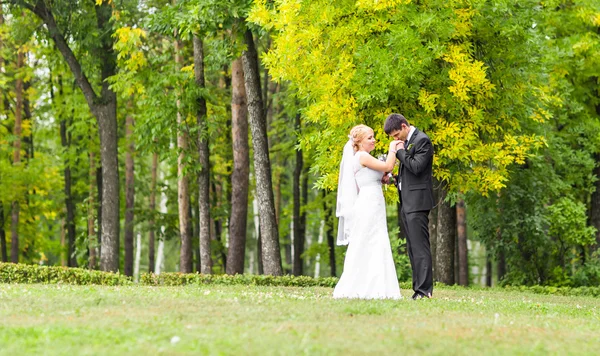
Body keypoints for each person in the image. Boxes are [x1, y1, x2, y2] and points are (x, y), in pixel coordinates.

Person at [333, 124, 403, 299]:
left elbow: (378, 176)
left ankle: (378, 286)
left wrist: (385, 180)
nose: (374, 140)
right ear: (359, 142)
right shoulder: (362, 156)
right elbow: (387, 166)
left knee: (376, 240)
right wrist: (393, 148)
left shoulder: (366, 157)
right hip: (368, 203)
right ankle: (364, 286)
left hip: (374, 201)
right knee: (369, 239)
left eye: (373, 137)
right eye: (370, 137)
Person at [384, 113, 434, 300]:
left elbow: (417, 167)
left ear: (404, 126)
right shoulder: (406, 142)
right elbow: (410, 174)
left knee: (420, 247)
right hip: (407, 200)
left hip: (418, 201)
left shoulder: (422, 141)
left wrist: (399, 152)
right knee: (413, 247)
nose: (395, 139)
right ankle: (418, 289)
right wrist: (395, 179)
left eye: (396, 135)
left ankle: (424, 290)